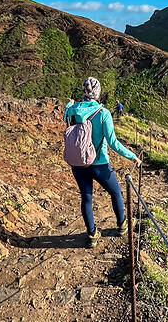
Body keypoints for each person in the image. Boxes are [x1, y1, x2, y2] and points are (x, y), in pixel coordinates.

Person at [63, 77, 142, 248]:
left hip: (78, 164)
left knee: (86, 197)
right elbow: (113, 143)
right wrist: (132, 156)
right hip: (99, 164)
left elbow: (65, 119)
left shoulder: (71, 111)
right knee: (115, 193)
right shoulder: (103, 114)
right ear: (98, 93)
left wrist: (69, 105)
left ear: (83, 92)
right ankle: (122, 225)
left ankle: (92, 235)